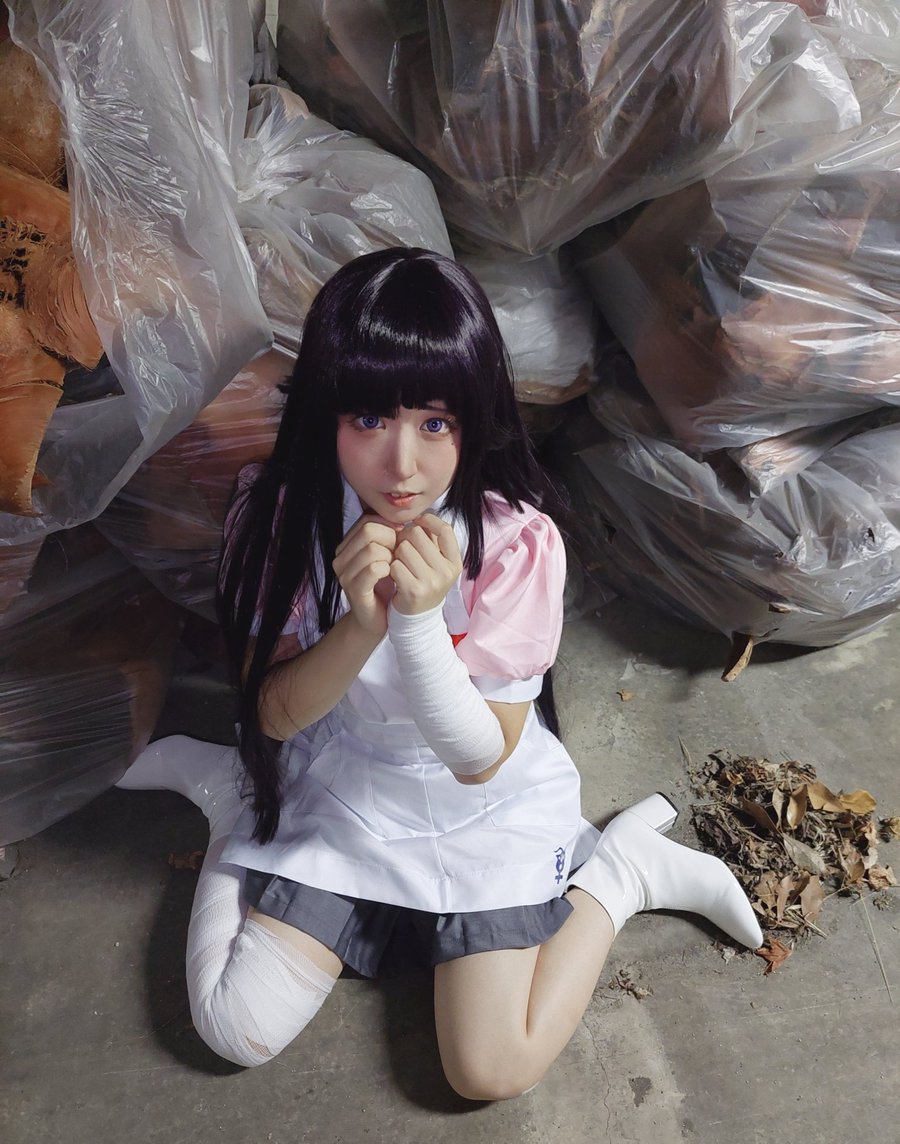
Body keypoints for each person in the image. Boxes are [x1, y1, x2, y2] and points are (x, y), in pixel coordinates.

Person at [118, 247, 762, 1098]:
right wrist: (360, 624)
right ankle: (234, 797)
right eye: (369, 419)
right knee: (235, 1027)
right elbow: (272, 715)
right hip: (347, 785)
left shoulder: (515, 541)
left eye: (434, 423)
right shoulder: (280, 517)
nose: (401, 466)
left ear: (474, 418)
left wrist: (418, 625)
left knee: (488, 1068)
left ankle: (623, 874)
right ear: (326, 411)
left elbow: (479, 758)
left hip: (481, 808)